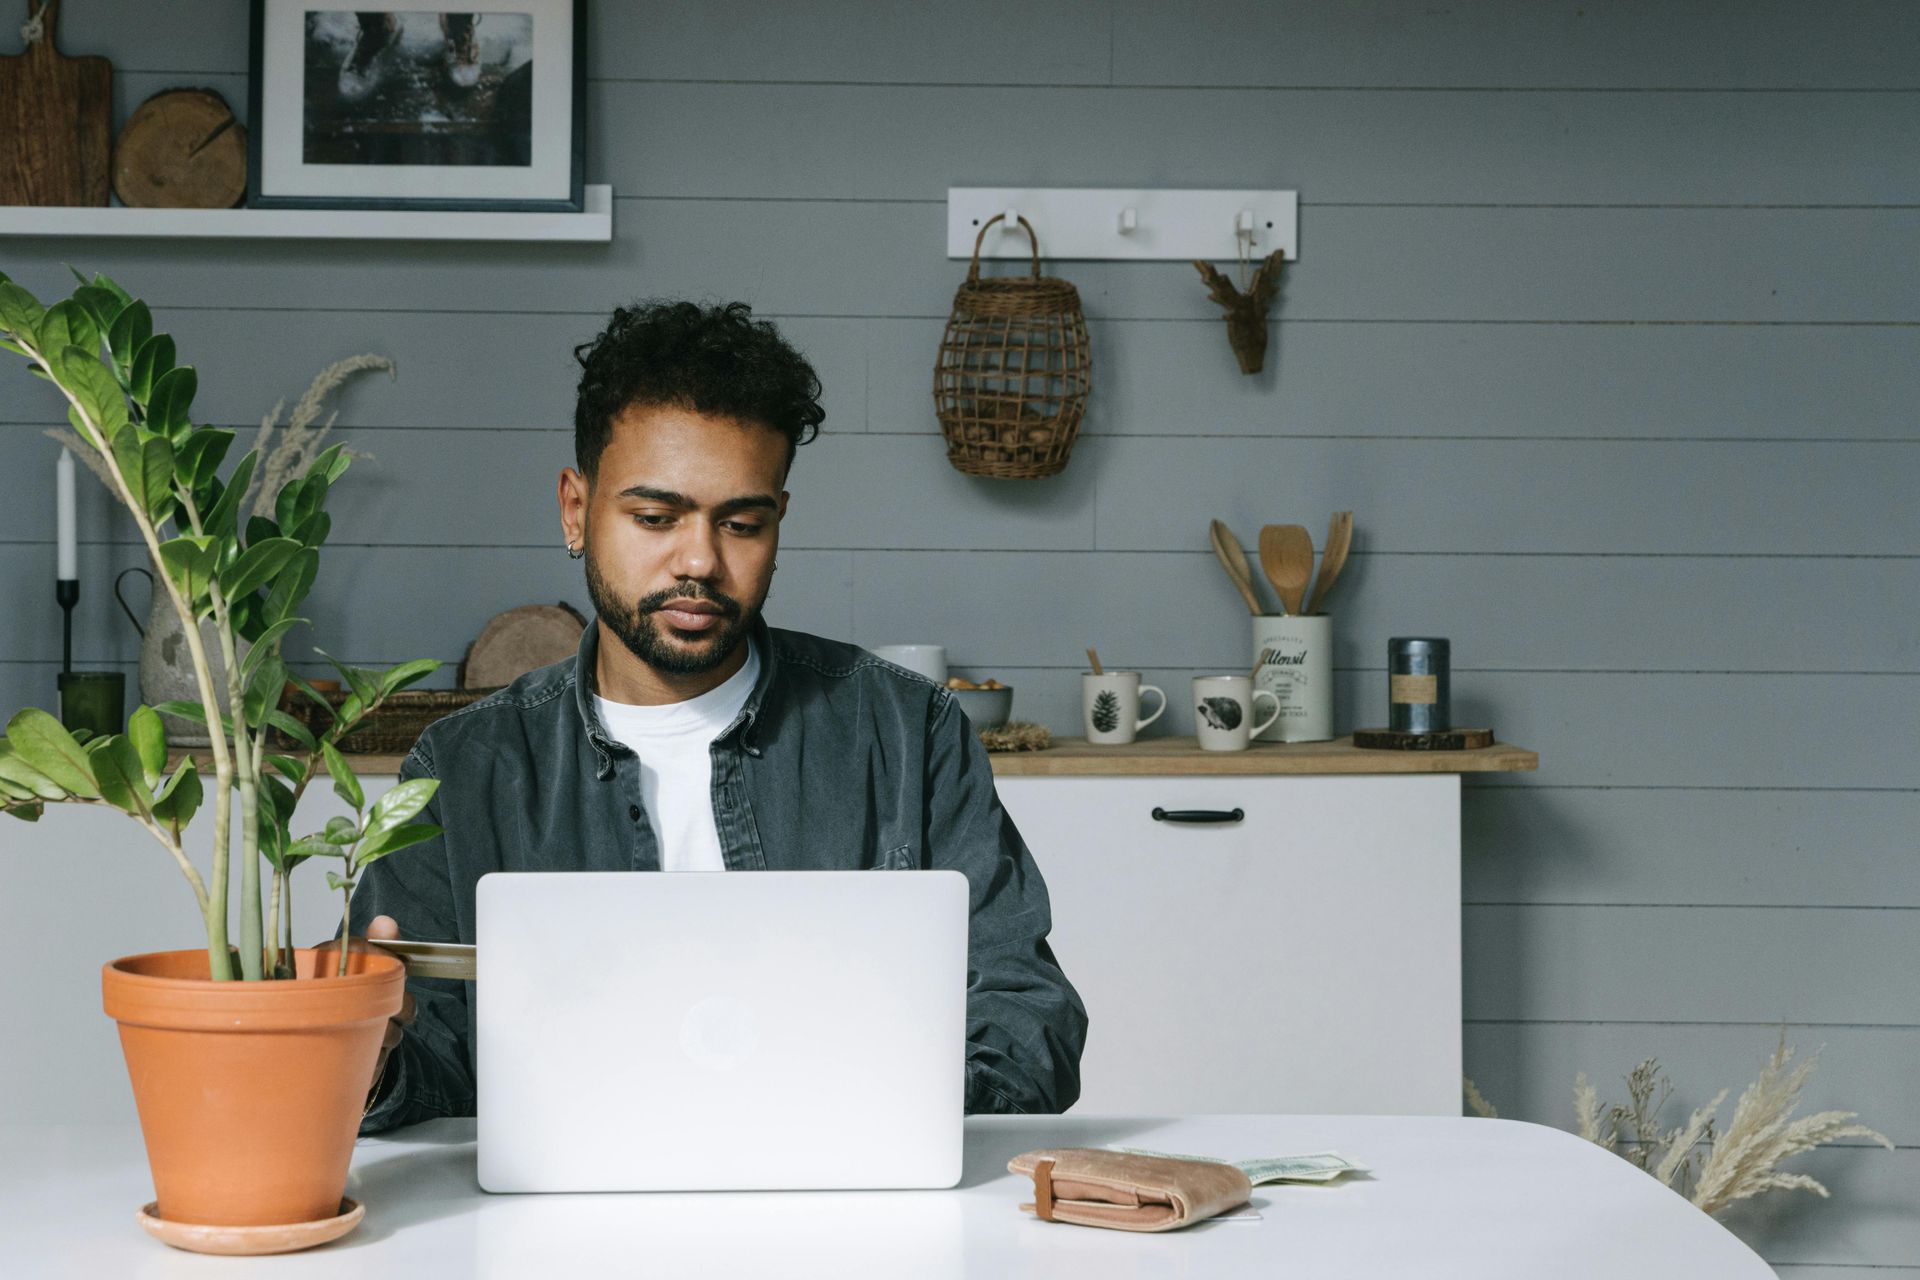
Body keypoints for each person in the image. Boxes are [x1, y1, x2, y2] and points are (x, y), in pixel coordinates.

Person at [346, 299, 1088, 1132]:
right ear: (574, 510)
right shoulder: (462, 770)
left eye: (741, 523)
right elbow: (424, 1075)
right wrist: (367, 1064)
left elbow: (1029, 1017)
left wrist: (883, 1119)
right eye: (656, 518)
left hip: (846, 1205)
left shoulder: (907, 732)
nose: (699, 560)